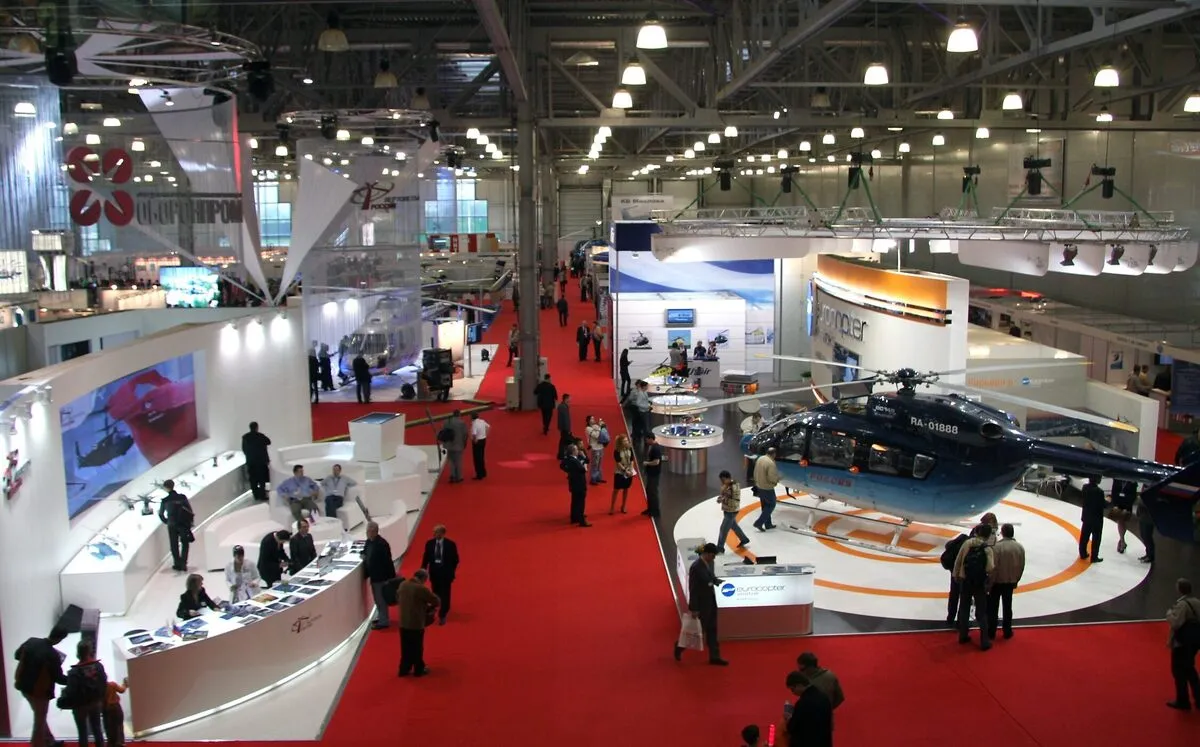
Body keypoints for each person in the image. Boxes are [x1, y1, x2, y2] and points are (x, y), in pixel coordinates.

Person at [14, 627, 68, 747]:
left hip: (23, 686)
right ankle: (37, 744)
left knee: (40, 716)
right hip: (39, 692)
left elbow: (16, 656)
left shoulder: (31, 641)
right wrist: (74, 678)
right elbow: (59, 678)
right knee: (39, 721)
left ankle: (49, 740)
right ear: (60, 639)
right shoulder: (52, 655)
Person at [675, 542, 727, 665]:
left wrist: (715, 581)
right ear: (707, 554)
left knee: (712, 629)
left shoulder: (708, 564)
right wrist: (694, 608)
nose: (714, 558)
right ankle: (679, 647)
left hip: (711, 603)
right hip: (702, 606)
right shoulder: (696, 567)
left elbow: (709, 578)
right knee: (696, 631)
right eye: (713, 555)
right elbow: (693, 589)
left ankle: (714, 656)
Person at [953, 522, 996, 650]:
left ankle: (963, 635)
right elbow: (990, 567)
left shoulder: (968, 543)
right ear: (988, 535)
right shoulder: (987, 549)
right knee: (981, 612)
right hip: (979, 583)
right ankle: (984, 641)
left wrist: (956, 575)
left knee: (964, 608)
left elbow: (959, 560)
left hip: (965, 580)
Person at [397, 569, 440, 677]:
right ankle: (418, 669)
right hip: (415, 623)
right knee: (417, 647)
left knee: (405, 647)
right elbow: (435, 601)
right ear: (424, 578)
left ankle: (404, 669)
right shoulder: (420, 588)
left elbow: (397, 597)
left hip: (403, 622)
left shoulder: (403, 584)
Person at [64, 640, 107, 747]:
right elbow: (103, 683)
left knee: (82, 731)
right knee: (97, 729)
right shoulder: (98, 666)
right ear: (90, 651)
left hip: (79, 706)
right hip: (95, 702)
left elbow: (71, 691)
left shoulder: (73, 672)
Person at [1166, 577, 1200, 710]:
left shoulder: (1182, 604)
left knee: (1178, 671)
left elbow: (1176, 623)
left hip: (1182, 642)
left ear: (1180, 589)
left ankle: (1183, 700)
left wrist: (1169, 614)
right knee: (1190, 669)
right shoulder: (1197, 602)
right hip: (1194, 641)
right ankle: (1198, 698)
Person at [987, 523, 1026, 641]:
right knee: (1008, 607)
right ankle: (1007, 631)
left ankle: (991, 632)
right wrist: (1016, 579)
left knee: (993, 608)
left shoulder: (997, 547)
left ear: (1003, 533)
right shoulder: (1019, 547)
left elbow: (994, 567)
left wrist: (990, 583)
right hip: (1010, 581)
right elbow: (1021, 566)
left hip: (997, 582)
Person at [421, 525, 460, 625]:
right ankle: (436, 606)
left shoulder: (450, 544)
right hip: (434, 572)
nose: (433, 534)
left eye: (436, 532)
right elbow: (426, 557)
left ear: (442, 533)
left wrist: (451, 570)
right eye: (433, 531)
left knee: (445, 593)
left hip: (446, 573)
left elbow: (455, 559)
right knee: (435, 591)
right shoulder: (429, 543)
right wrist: (423, 569)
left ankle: (443, 613)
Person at [784, 671, 833, 747]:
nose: (793, 692)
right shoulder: (824, 697)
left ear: (799, 685)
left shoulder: (803, 702)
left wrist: (788, 718)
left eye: (793, 689)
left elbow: (792, 727)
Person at [363, 521, 397, 629]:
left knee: (381, 600)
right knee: (377, 599)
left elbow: (388, 562)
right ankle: (381, 617)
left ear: (374, 531)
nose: (367, 533)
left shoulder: (382, 544)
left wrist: (390, 578)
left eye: (368, 531)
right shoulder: (369, 542)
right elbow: (365, 552)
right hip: (374, 576)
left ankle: (384, 621)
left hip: (381, 577)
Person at [157, 479, 194, 572]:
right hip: (183, 523)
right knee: (185, 543)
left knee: (174, 544)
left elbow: (161, 514)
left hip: (172, 524)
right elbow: (189, 510)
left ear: (166, 488)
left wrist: (167, 521)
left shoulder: (165, 500)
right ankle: (184, 563)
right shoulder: (182, 497)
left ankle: (177, 564)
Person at [716, 470, 750, 553]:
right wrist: (721, 497)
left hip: (731, 511)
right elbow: (724, 495)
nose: (722, 482)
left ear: (727, 478)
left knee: (723, 529)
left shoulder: (733, 486)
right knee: (733, 526)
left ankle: (720, 548)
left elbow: (730, 496)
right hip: (728, 509)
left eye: (723, 480)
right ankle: (744, 539)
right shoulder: (728, 485)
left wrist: (721, 498)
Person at [561, 443, 592, 527]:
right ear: (573, 451)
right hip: (579, 484)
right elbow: (583, 469)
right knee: (580, 502)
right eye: (576, 449)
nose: (578, 451)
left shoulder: (568, 459)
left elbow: (562, 465)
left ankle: (574, 517)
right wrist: (583, 462)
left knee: (574, 501)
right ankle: (581, 520)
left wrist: (569, 471)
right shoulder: (574, 461)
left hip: (573, 483)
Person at [241, 421, 271, 502]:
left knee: (253, 479)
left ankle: (256, 495)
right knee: (261, 479)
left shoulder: (245, 437)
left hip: (251, 462)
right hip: (261, 462)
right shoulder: (260, 436)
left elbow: (244, 449)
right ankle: (262, 495)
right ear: (257, 427)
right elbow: (269, 442)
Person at [752, 447, 780, 532]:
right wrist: (776, 481)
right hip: (767, 488)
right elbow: (772, 478)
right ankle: (759, 523)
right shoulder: (771, 463)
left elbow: (755, 471)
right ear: (774, 454)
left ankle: (768, 524)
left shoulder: (760, 458)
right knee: (771, 504)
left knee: (765, 506)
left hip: (759, 486)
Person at [1079, 475, 1106, 563]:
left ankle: (1083, 553)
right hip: (1096, 519)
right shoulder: (1099, 492)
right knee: (1096, 538)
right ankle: (1094, 557)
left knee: (1084, 536)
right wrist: (1108, 501)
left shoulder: (1085, 487)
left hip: (1086, 516)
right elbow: (1103, 505)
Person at [1110, 479, 1137, 553]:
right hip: (1118, 504)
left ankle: (1121, 541)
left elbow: (1133, 496)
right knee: (1120, 521)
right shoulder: (1117, 479)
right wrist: (1115, 505)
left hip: (1127, 505)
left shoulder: (1132, 482)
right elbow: (1114, 492)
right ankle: (1122, 541)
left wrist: (1127, 507)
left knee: (1123, 522)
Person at [441, 410, 468, 483]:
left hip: (448, 445)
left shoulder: (446, 422)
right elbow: (465, 434)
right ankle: (458, 477)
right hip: (458, 445)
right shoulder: (461, 423)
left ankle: (452, 475)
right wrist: (464, 443)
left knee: (451, 461)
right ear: (459, 415)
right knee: (458, 461)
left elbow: (443, 432)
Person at [610, 434, 635, 514]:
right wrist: (625, 470)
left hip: (629, 471)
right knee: (616, 490)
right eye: (624, 441)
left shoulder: (630, 448)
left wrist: (631, 469)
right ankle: (612, 507)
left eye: (627, 440)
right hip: (620, 472)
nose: (626, 442)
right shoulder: (617, 451)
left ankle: (623, 506)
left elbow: (632, 460)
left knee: (626, 489)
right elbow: (618, 463)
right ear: (620, 442)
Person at [642, 433, 664, 518]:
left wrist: (647, 463)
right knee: (649, 491)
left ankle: (655, 511)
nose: (646, 441)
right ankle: (650, 509)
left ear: (650, 439)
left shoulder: (655, 448)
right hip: (651, 473)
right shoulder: (653, 447)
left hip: (654, 474)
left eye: (647, 439)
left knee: (653, 492)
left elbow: (656, 462)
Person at [103, 677, 128, 747]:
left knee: (108, 727)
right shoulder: (112, 684)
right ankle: (120, 742)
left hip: (105, 708)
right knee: (119, 725)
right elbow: (122, 690)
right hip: (115, 707)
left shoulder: (99, 688)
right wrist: (125, 684)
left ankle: (111, 743)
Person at [1137, 492, 1157, 564]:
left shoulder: (1152, 493)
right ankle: (1147, 554)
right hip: (1142, 516)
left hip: (1148, 518)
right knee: (1143, 535)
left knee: (1147, 536)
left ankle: (1150, 556)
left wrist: (1141, 500)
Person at [585, 415, 606, 485]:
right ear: (588, 421)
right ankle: (593, 479)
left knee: (599, 464)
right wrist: (600, 428)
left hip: (600, 447)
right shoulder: (588, 428)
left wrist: (601, 427)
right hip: (595, 448)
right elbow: (596, 435)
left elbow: (602, 432)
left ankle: (598, 478)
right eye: (591, 419)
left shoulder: (595, 426)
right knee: (595, 464)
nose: (593, 420)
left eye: (593, 418)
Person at [630, 380, 651, 445]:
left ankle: (645, 438)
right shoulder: (640, 393)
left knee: (644, 425)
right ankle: (645, 439)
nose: (647, 387)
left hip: (646, 410)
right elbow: (638, 403)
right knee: (645, 426)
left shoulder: (645, 392)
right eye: (646, 386)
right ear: (644, 386)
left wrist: (648, 405)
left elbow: (646, 400)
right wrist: (646, 406)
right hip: (642, 411)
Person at [470, 412, 489, 480]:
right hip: (483, 440)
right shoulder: (482, 421)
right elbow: (488, 426)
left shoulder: (474, 424)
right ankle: (483, 472)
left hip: (477, 441)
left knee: (477, 458)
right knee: (481, 456)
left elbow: (474, 434)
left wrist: (474, 440)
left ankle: (479, 474)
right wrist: (485, 434)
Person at [556, 394, 574, 459]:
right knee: (565, 441)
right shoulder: (563, 407)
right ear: (566, 399)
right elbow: (565, 419)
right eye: (569, 398)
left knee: (563, 440)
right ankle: (562, 454)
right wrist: (568, 429)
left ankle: (561, 454)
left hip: (563, 427)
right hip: (564, 428)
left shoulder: (563, 406)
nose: (570, 399)